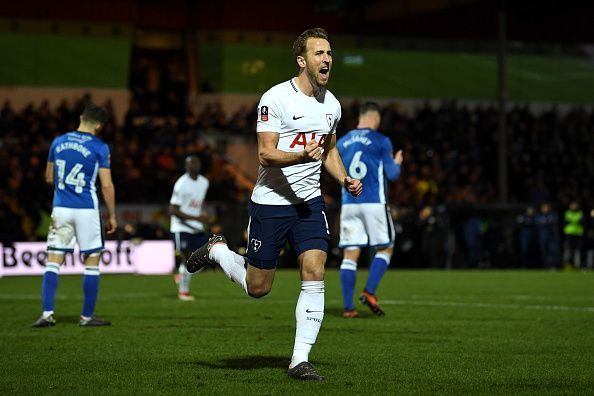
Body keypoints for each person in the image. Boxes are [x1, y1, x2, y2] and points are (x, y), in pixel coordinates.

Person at [186, 28, 362, 381]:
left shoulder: (333, 105)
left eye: (329, 53)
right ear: (302, 60)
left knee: (314, 270)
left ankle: (299, 360)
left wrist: (342, 178)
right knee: (258, 288)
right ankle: (218, 251)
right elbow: (265, 154)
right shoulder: (276, 98)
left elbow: (328, 151)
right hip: (271, 203)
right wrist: (300, 154)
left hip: (309, 203)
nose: (327, 59)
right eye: (319, 53)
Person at [32, 103, 117, 327]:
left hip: (61, 208)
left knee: (53, 261)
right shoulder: (100, 147)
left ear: (81, 117)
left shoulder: (58, 142)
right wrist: (113, 215)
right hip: (86, 209)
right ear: (99, 126)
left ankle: (47, 314)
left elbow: (49, 177)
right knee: (92, 261)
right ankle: (86, 317)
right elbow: (106, 186)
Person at [336, 102, 403, 318]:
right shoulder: (381, 141)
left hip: (349, 203)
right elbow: (392, 175)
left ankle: (348, 308)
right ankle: (370, 291)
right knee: (386, 248)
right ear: (374, 118)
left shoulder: (343, 142)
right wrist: (398, 163)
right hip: (374, 202)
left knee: (350, 254)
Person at [169, 155, 211, 301]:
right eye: (191, 163)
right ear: (186, 166)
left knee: (204, 260)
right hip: (181, 227)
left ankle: (181, 275)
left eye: (197, 162)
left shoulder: (204, 182)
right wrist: (196, 217)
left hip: (197, 227)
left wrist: (202, 214)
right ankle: (183, 292)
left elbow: (197, 203)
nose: (195, 165)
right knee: (188, 261)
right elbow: (173, 210)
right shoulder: (181, 184)